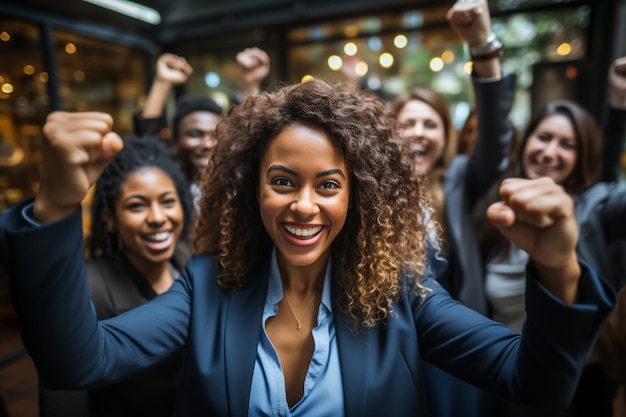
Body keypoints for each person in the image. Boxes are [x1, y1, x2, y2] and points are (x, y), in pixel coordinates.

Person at [0, 79, 615, 417]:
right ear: (253, 190)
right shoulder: (207, 285)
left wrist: (558, 268)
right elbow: (77, 364)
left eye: (329, 185)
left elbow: (532, 383)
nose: (303, 205)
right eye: (282, 181)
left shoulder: (402, 296)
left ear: (357, 198)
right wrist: (54, 211)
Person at [469, 56, 626, 417]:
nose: (550, 152)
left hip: (577, 390)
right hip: (501, 381)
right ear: (526, 142)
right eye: (543, 137)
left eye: (567, 145)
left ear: (581, 158)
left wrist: (619, 109)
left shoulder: (595, 208)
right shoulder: (497, 206)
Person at [38, 137, 193, 417]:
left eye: (168, 201)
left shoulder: (191, 260)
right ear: (110, 218)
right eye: (137, 205)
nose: (158, 217)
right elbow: (63, 399)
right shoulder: (87, 289)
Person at [390, 0, 515, 314]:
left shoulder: (456, 180)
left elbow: (494, 144)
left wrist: (482, 47)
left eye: (431, 124)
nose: (419, 132)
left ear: (446, 138)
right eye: (407, 124)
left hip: (455, 340)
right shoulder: (372, 190)